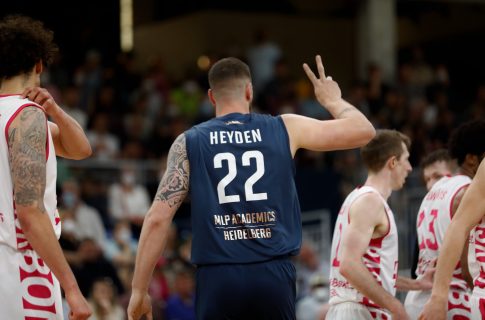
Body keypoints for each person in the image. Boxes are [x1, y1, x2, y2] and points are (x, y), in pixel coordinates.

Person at [127, 55, 376, 320]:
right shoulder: (285, 128)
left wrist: (138, 290)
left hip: (218, 277)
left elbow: (157, 219)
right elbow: (364, 131)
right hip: (273, 275)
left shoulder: (189, 142)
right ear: (249, 91)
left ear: (211, 97)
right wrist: (332, 100)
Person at [0, 15, 92, 319]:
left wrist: (52, 109)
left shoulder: (21, 116)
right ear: (39, 64)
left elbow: (80, 149)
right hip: (21, 263)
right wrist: (73, 289)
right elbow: (30, 213)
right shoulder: (26, 116)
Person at [327, 129, 433, 320]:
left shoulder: (357, 196)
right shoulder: (371, 202)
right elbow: (349, 266)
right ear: (392, 162)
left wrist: (416, 285)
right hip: (358, 310)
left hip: (352, 309)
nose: (410, 168)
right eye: (406, 159)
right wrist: (395, 306)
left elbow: (370, 273)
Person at [406, 121, 485, 319]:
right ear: (472, 159)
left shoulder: (430, 195)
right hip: (454, 296)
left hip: (420, 296)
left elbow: (416, 253)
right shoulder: (466, 190)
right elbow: (467, 265)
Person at [410, 149, 455, 279]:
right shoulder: (425, 212)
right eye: (427, 180)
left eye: (438, 177)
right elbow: (414, 272)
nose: (430, 185)